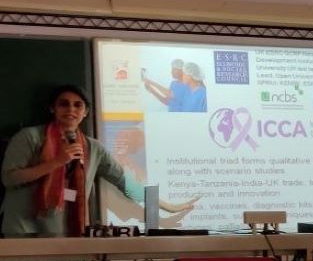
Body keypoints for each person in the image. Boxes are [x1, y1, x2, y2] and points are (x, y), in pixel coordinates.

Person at [0, 85, 196, 238]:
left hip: (69, 230)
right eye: (64, 103)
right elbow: (9, 178)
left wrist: (168, 206)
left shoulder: (93, 148)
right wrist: (56, 162)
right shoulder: (30, 137)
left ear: (86, 112)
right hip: (25, 228)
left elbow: (126, 183)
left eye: (78, 105)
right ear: (52, 108)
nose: (71, 109)